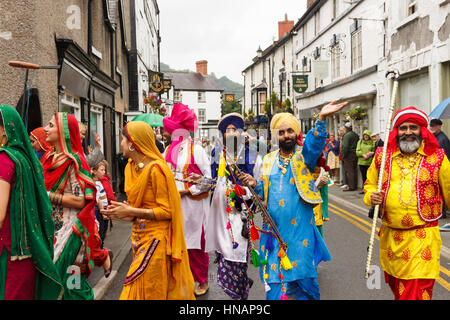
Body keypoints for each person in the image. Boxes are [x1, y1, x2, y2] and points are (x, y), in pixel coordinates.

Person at [239, 100, 348, 300]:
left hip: (300, 235)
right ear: (275, 136)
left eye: (290, 131)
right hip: (273, 234)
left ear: (296, 133)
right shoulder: (269, 159)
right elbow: (265, 192)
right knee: (274, 286)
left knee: (304, 286)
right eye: (281, 132)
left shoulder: (303, 158)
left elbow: (314, 146)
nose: (286, 135)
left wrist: (321, 118)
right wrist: (255, 183)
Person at [364, 106, 450, 300]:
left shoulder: (437, 158)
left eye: (413, 127)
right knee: (400, 291)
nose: (408, 132)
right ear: (396, 131)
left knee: (414, 293)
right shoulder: (382, 157)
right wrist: (371, 197)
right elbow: (369, 186)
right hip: (391, 240)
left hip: (423, 239)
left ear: (422, 130)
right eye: (403, 128)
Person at [102, 120, 195, 300]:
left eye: (122, 139)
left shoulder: (157, 169)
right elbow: (135, 208)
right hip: (138, 239)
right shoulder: (131, 167)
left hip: (156, 241)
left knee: (149, 292)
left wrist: (131, 211)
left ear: (132, 143)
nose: (120, 143)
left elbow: (167, 212)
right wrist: (119, 211)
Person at [42, 112, 112, 300]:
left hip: (71, 231)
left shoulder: (74, 161)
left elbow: (81, 200)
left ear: (63, 132)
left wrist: (49, 195)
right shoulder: (49, 158)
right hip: (52, 229)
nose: (45, 129)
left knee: (71, 284)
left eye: (50, 125)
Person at [0, 105, 63, 300]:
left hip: (8, 251)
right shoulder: (27, 161)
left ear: (4, 130)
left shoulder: (4, 159)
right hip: (28, 253)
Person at [205, 112, 262, 300]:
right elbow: (215, 180)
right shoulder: (216, 153)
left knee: (237, 252)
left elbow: (258, 184)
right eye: (227, 131)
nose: (231, 134)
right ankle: (241, 285)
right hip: (221, 212)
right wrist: (203, 182)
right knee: (225, 250)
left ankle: (240, 292)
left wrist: (247, 190)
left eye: (234, 130)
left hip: (241, 213)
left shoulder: (252, 155)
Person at [163, 103, 211, 296]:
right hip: (173, 206)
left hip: (194, 207)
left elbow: (208, 179)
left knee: (196, 245)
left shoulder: (196, 150)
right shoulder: (166, 151)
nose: (168, 133)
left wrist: (187, 191)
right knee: (177, 244)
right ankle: (182, 280)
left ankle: (203, 280)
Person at [429, 119, 450, 219]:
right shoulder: (437, 137)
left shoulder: (442, 139)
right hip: (437, 168)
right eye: (431, 125)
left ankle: (442, 212)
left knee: (441, 190)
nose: (431, 127)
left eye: (434, 125)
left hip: (442, 169)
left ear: (439, 126)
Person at [91, 160, 111, 248]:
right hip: (100, 211)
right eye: (102, 170)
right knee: (101, 233)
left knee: (103, 232)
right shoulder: (95, 184)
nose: (104, 172)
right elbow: (98, 200)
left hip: (103, 209)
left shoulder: (99, 182)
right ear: (94, 171)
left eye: (104, 170)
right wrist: (103, 213)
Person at [356, 130, 375, 194]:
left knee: (369, 177)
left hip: (369, 162)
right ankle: (364, 189)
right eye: (364, 136)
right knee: (363, 176)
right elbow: (357, 151)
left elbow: (374, 151)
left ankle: (369, 189)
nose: (365, 137)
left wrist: (369, 155)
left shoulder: (372, 142)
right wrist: (363, 155)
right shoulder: (360, 142)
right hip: (362, 162)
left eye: (367, 136)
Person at [341, 122, 359, 191]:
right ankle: (355, 185)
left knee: (350, 171)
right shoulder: (355, 135)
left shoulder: (347, 135)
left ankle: (351, 187)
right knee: (354, 170)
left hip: (349, 154)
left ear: (346, 128)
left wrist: (344, 155)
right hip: (355, 154)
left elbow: (345, 146)